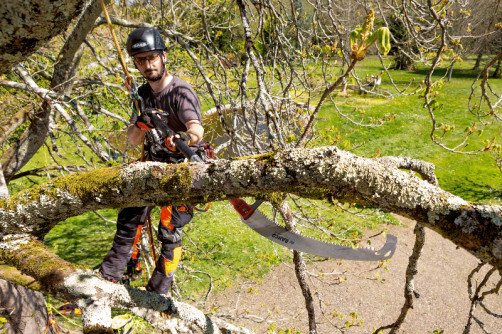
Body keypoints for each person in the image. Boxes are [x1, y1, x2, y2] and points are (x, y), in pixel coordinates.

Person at [99, 27, 204, 295]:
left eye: (152, 58)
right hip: (154, 167)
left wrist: (182, 138)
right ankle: (111, 276)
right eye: (141, 60)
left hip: (185, 168)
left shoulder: (181, 92)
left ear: (164, 56)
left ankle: (157, 291)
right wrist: (142, 125)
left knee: (169, 231)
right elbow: (132, 139)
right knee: (129, 216)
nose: (148, 64)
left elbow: (196, 130)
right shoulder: (142, 94)